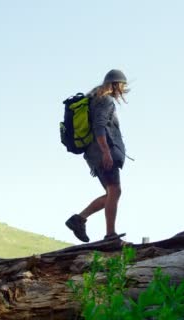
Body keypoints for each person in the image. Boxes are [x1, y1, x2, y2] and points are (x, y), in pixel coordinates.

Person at [65, 69, 130, 242]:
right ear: (116, 84)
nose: (123, 90)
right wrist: (106, 152)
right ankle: (110, 234)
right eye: (122, 86)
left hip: (93, 154)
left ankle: (78, 219)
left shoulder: (94, 99)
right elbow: (99, 126)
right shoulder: (105, 100)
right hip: (102, 153)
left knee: (111, 194)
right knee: (115, 191)